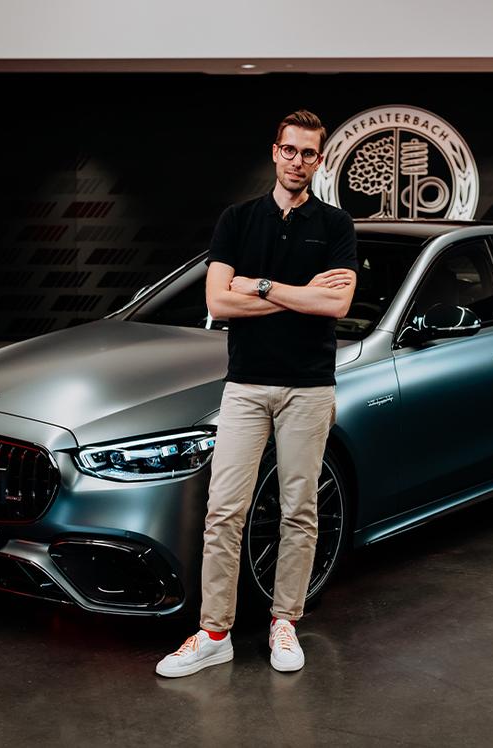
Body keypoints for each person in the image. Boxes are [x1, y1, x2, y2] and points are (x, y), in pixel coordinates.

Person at [156, 110, 358, 677]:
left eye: (309, 153)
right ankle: (214, 631)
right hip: (246, 387)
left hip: (309, 388)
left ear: (320, 159)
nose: (298, 161)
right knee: (224, 511)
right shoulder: (238, 220)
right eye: (289, 150)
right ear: (275, 152)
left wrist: (262, 285)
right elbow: (219, 303)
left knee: (299, 511)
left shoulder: (336, 226)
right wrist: (300, 294)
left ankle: (283, 622)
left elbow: (336, 306)